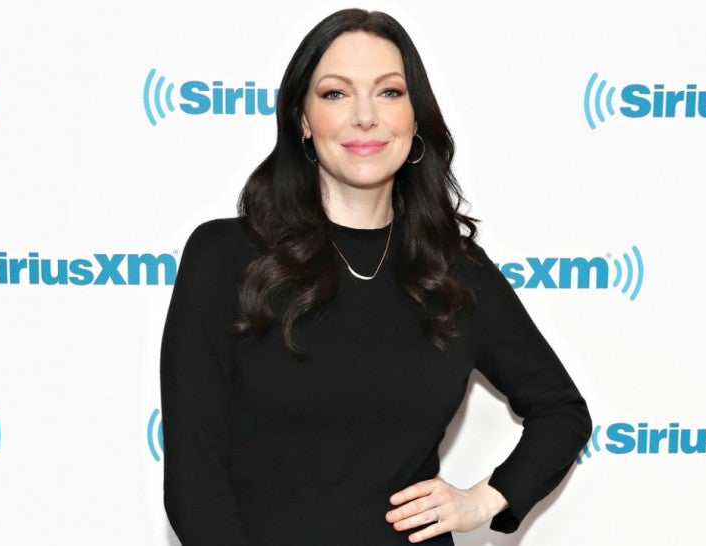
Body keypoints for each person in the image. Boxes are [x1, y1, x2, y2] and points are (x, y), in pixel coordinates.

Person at [160, 8, 591, 546]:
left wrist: (484, 499)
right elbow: (194, 481)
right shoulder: (226, 257)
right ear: (302, 120)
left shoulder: (454, 270)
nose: (365, 117)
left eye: (389, 92)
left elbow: (562, 412)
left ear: (415, 117)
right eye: (335, 94)